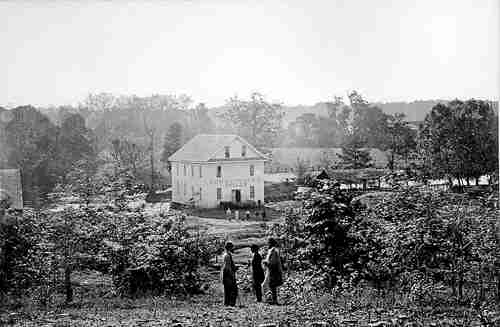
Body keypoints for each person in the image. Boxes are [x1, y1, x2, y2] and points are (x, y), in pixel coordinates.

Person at [262, 237, 283, 305]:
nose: (268, 244)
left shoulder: (273, 251)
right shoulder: (273, 250)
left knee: (271, 285)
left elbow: (273, 262)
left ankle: (272, 300)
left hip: (273, 270)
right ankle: (271, 299)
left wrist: (266, 263)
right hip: (271, 270)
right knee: (270, 285)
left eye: (269, 243)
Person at [221, 241, 238, 306]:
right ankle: (230, 304)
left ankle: (227, 303)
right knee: (231, 290)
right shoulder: (227, 256)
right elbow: (227, 267)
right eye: (232, 247)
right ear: (230, 248)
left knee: (227, 290)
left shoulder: (226, 255)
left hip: (226, 275)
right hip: (228, 275)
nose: (233, 248)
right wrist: (232, 275)